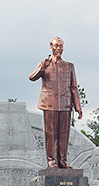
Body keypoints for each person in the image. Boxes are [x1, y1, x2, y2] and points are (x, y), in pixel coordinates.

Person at [29, 37, 83, 169]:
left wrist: (78, 106)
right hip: (49, 103)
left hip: (65, 104)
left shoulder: (69, 66)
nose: (59, 49)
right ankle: (51, 161)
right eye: (56, 46)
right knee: (51, 134)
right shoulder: (45, 64)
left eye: (61, 46)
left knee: (64, 134)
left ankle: (62, 161)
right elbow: (32, 77)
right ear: (51, 47)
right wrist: (42, 67)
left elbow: (73, 87)